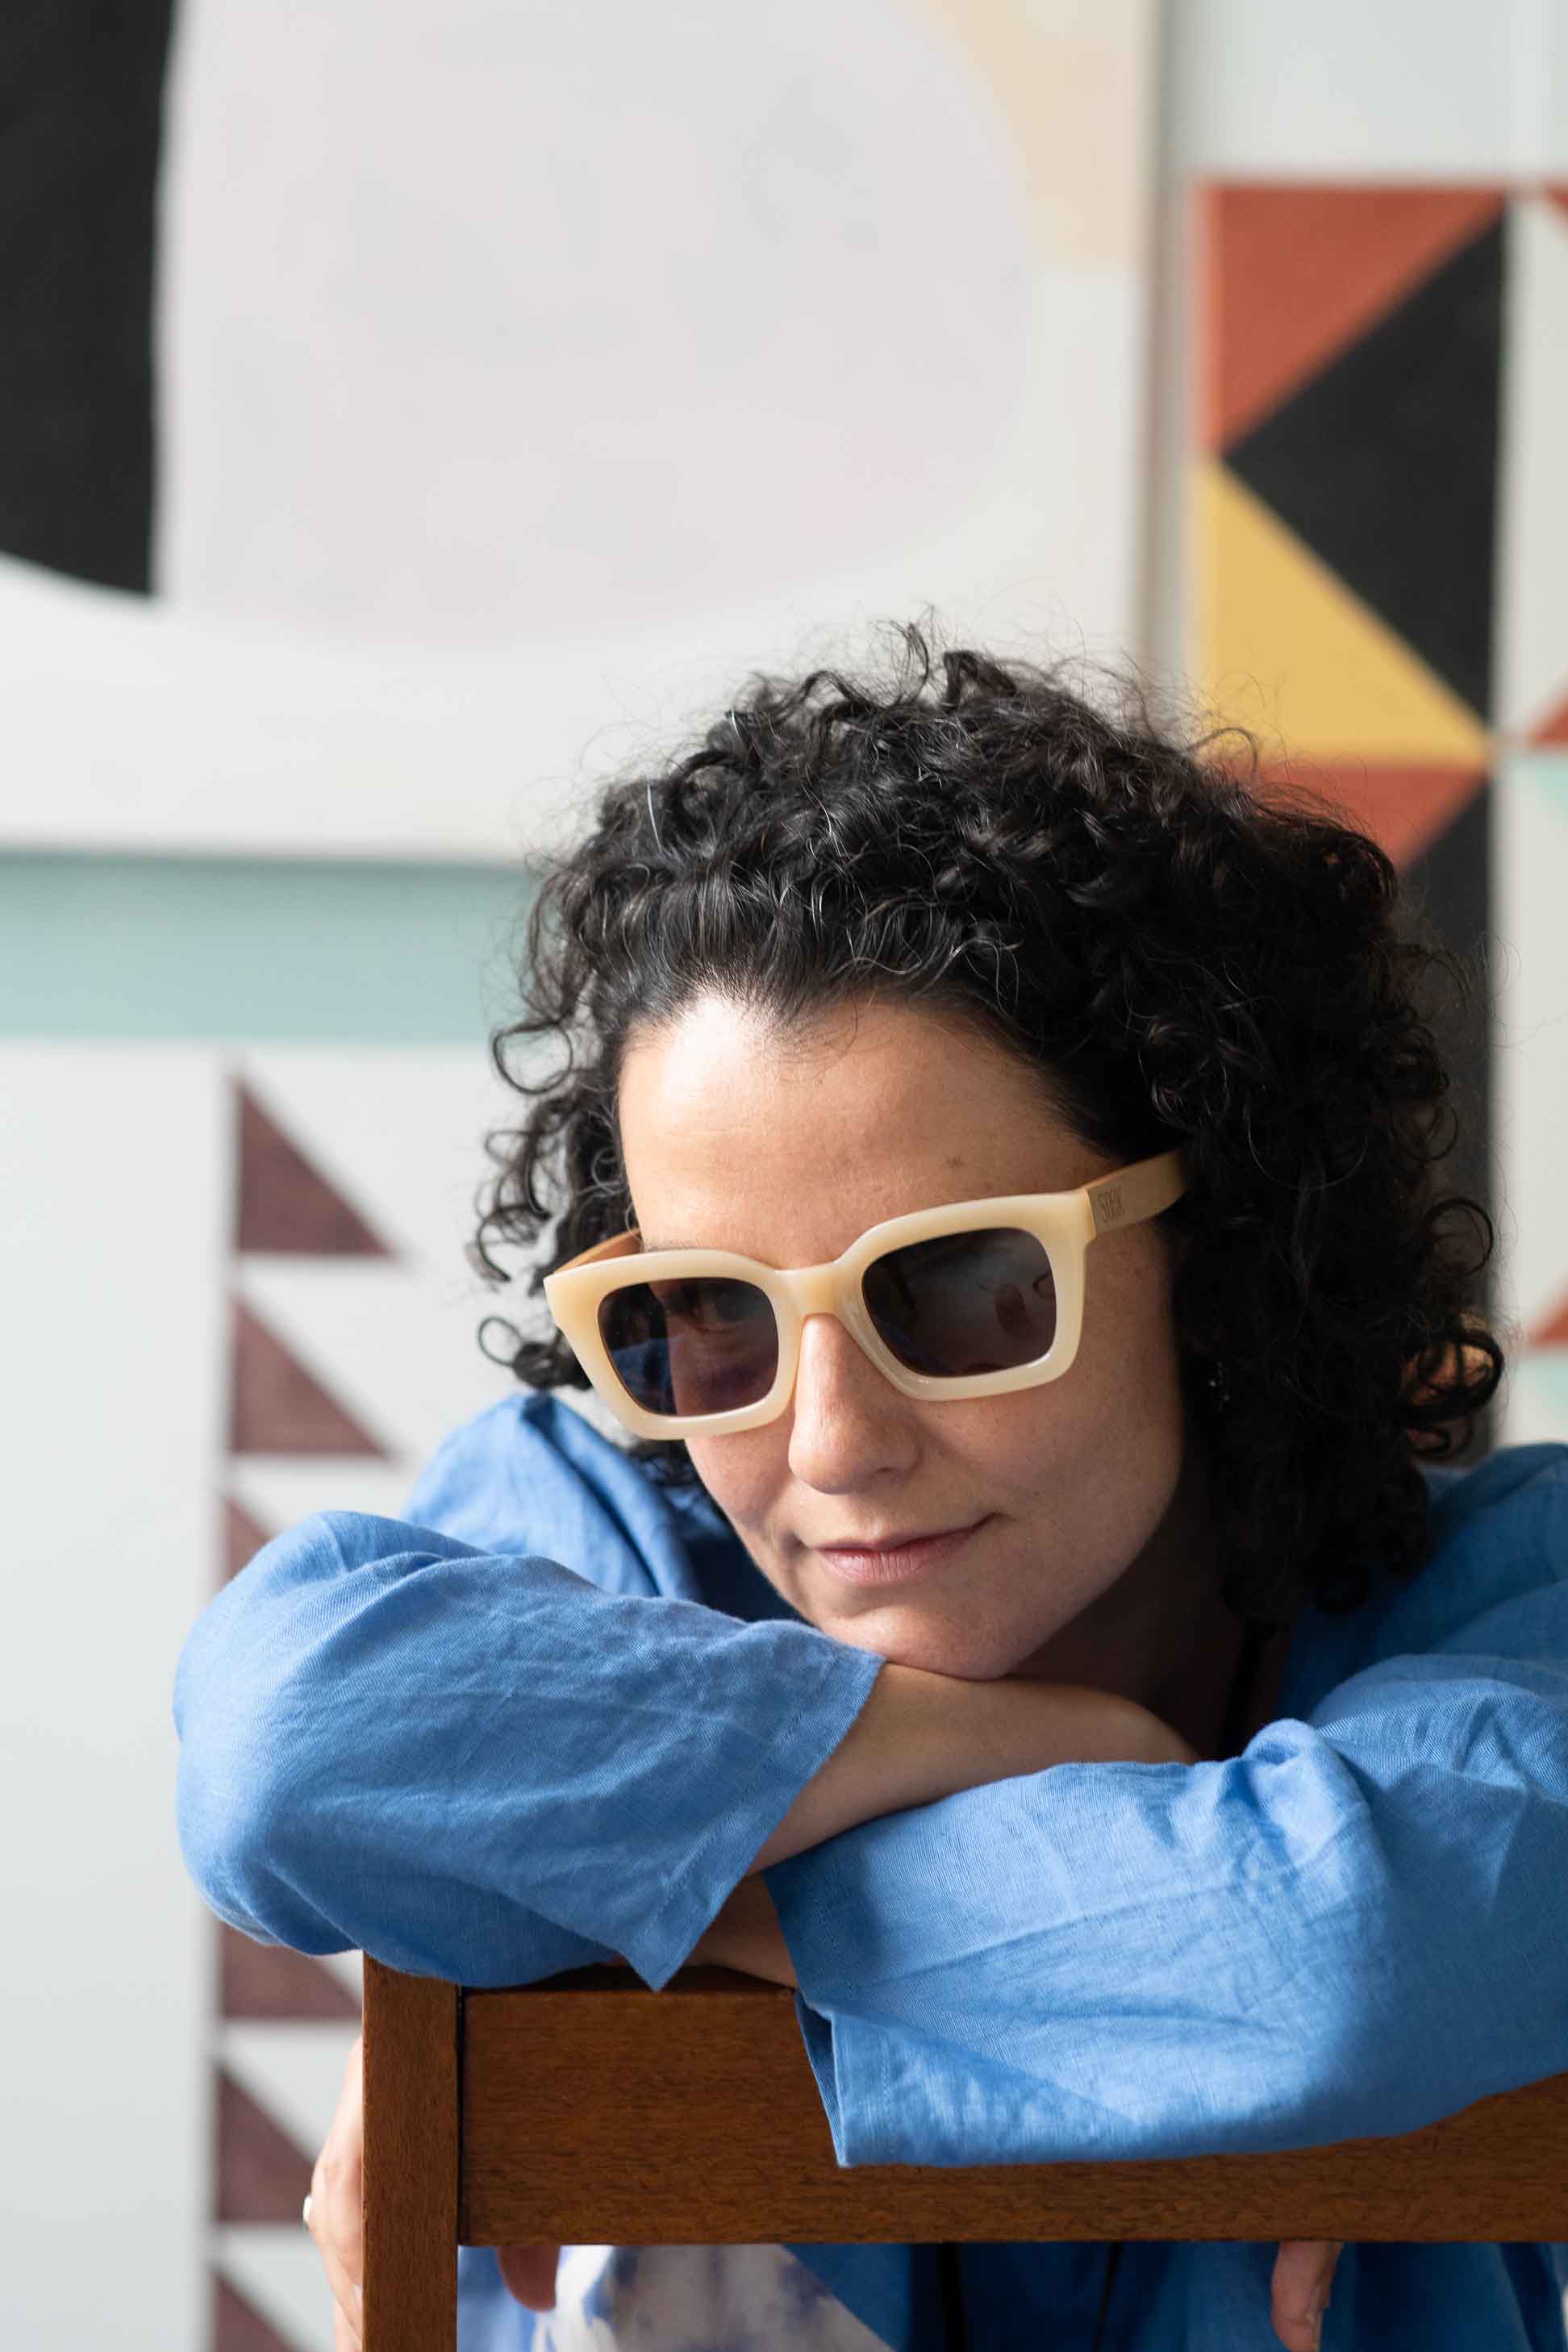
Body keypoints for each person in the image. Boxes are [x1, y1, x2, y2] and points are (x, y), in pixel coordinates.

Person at [173, 625, 1568, 2352]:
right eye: (708, 1315)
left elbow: (1337, 1960)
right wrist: (1065, 1788)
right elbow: (287, 1742)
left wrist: (655, 1898)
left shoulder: (1510, 1602)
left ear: (1216, 1258)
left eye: (962, 1290)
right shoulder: (595, 1538)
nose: (831, 1443)